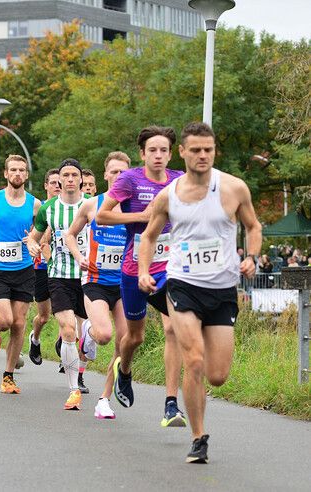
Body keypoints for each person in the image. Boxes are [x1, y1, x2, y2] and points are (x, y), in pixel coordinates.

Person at [137, 122, 261, 463]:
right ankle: (198, 436)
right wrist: (145, 271)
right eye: (195, 150)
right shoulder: (170, 195)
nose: (202, 155)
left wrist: (251, 256)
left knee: (217, 375)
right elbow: (148, 237)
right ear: (184, 152)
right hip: (182, 285)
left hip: (221, 288)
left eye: (208, 149)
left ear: (214, 151)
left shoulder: (234, 188)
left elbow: (253, 226)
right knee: (193, 360)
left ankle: (199, 412)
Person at [95, 126, 187, 427]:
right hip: (134, 268)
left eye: (163, 150)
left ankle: (171, 404)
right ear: (142, 154)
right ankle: (125, 371)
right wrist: (142, 217)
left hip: (169, 267)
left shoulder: (179, 181)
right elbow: (103, 215)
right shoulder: (129, 180)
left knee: (174, 328)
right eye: (152, 150)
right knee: (134, 337)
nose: (158, 155)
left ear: (171, 154)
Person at [65, 151, 131, 419]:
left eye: (123, 173)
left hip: (125, 283)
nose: (118, 177)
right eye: (113, 172)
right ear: (105, 175)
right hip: (95, 282)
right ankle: (90, 330)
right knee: (104, 336)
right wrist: (79, 257)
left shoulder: (135, 208)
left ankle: (104, 399)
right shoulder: (92, 205)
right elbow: (70, 234)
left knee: (125, 342)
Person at [0, 154, 41, 394]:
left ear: (26, 174)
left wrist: (34, 241)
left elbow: (43, 229)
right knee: (5, 321)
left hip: (24, 269)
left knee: (19, 324)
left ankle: (8, 376)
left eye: (21, 170)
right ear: (5, 174)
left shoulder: (35, 204)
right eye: (13, 170)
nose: (17, 174)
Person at [27, 158, 88, 410]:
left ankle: (83, 357)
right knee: (68, 329)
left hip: (88, 277)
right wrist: (31, 244)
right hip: (59, 274)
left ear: (82, 179)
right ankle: (73, 389)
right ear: (59, 180)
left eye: (75, 174)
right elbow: (34, 237)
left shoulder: (92, 206)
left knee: (88, 335)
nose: (71, 179)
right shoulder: (48, 209)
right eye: (66, 175)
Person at [28, 168, 60, 365]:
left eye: (60, 182)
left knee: (67, 313)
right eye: (53, 182)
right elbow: (34, 238)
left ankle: (64, 346)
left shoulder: (69, 209)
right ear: (46, 185)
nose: (58, 186)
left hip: (63, 269)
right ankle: (35, 339)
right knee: (44, 316)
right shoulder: (40, 211)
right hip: (41, 268)